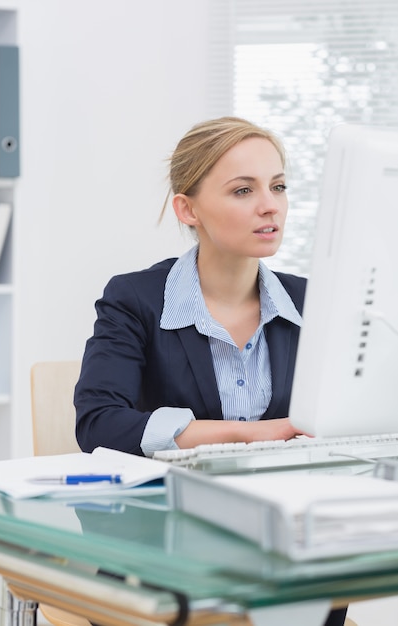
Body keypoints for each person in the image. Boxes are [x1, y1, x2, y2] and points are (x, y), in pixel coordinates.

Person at [74, 116, 346, 626]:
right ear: (188, 208)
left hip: (286, 553)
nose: (270, 205)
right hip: (165, 554)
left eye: (279, 186)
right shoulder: (135, 299)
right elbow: (98, 423)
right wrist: (247, 436)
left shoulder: (315, 302)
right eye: (243, 190)